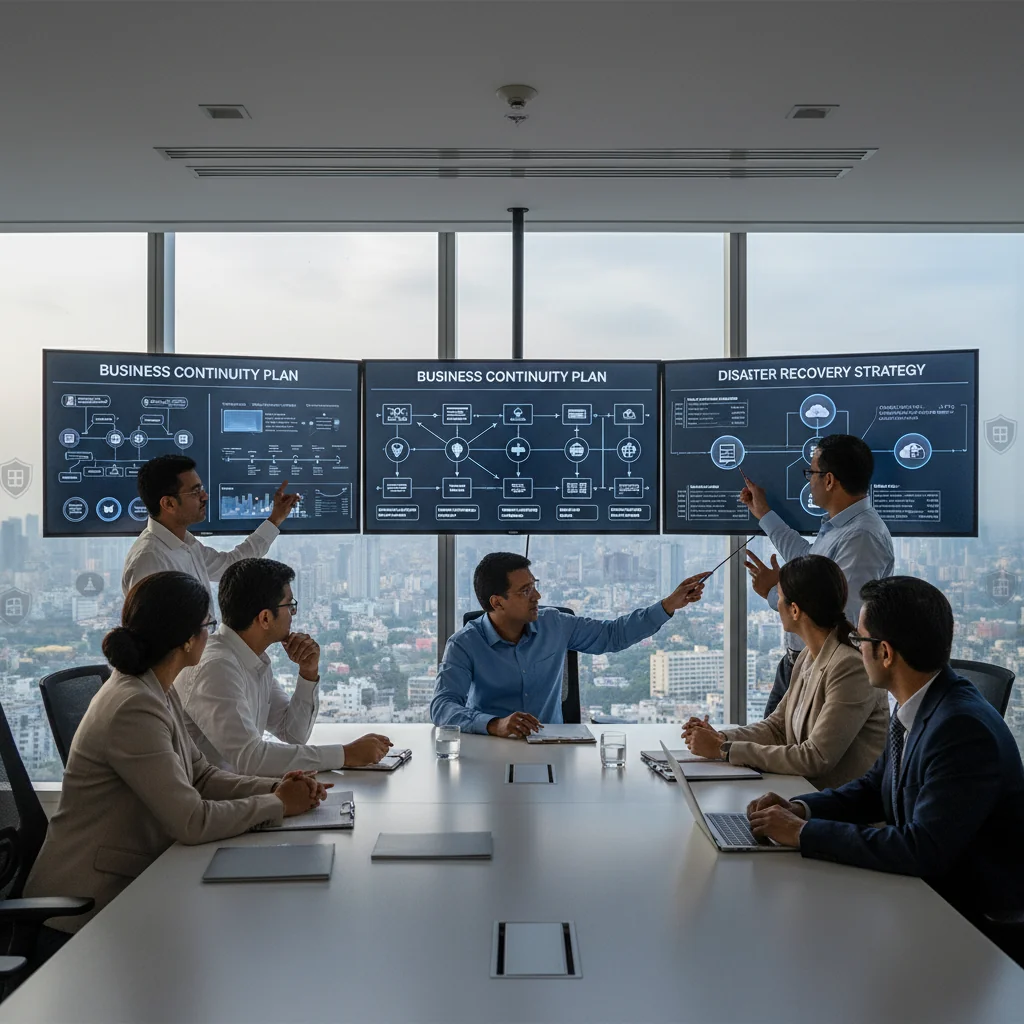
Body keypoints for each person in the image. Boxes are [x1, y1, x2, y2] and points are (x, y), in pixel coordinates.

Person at [23, 571, 329, 946]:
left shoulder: (155, 689)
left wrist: (278, 786)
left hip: (137, 883)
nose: (212, 634)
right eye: (208, 625)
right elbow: (192, 820)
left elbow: (202, 777)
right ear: (186, 639)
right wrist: (277, 804)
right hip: (84, 911)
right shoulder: (133, 706)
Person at [746, 576, 1024, 929]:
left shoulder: (961, 730)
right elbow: (874, 789)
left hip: (964, 919)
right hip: (919, 894)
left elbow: (922, 849)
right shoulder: (920, 703)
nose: (856, 648)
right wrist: (800, 809)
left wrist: (803, 833)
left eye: (860, 640)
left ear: (885, 652)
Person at [430, 551, 708, 738]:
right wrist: (495, 724)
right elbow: (442, 706)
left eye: (534, 585)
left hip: (552, 747)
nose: (537, 595)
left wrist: (670, 604)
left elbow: (613, 635)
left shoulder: (555, 624)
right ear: (497, 602)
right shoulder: (464, 644)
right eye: (525, 591)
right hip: (489, 749)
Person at [682, 554, 887, 791]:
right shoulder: (808, 657)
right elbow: (777, 728)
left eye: (779, 597)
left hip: (842, 816)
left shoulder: (850, 667)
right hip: (805, 798)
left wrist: (722, 749)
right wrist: (721, 738)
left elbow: (816, 758)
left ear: (795, 610)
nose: (776, 604)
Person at [177, 558, 392, 773]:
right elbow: (250, 758)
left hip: (236, 793)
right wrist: (346, 754)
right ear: (265, 618)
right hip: (211, 800)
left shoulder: (250, 658)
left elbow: (293, 734)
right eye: (290, 605)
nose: (293, 615)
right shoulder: (217, 667)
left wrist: (308, 673)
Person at [740, 433, 894, 717]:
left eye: (811, 472)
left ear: (829, 480)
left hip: (826, 668)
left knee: (789, 754)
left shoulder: (862, 537)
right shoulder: (842, 528)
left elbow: (838, 612)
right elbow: (809, 564)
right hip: (802, 662)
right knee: (770, 746)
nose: (808, 480)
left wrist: (774, 592)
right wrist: (764, 513)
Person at [121, 454, 300, 598]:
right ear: (168, 504)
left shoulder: (186, 544)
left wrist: (275, 519)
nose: (205, 496)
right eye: (195, 491)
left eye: (202, 489)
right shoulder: (150, 559)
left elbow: (230, 565)